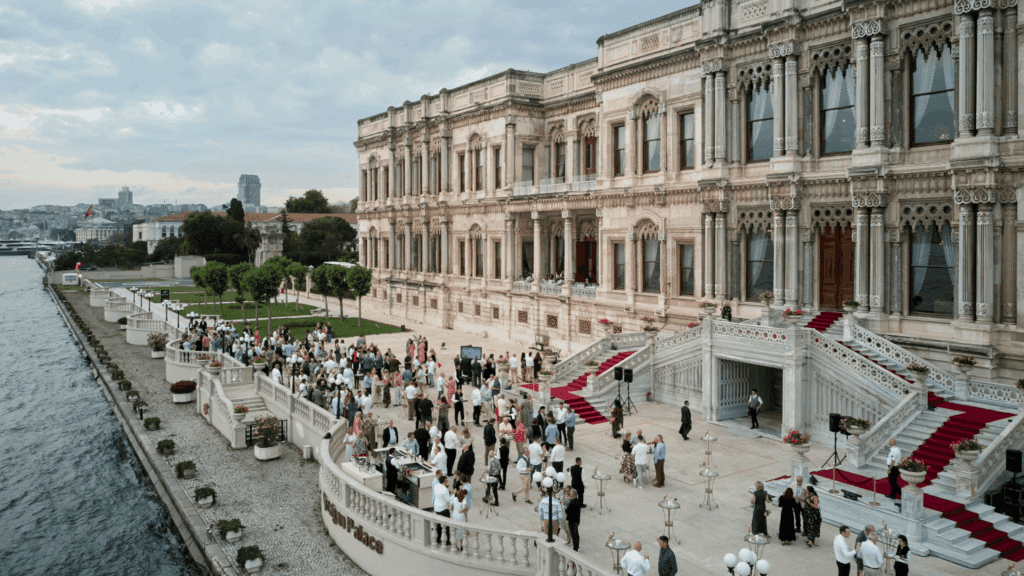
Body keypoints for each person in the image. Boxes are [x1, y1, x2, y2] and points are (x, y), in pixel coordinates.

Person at [433, 476, 452, 546]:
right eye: (446, 481)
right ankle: (446, 541)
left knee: (438, 525)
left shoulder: (436, 486)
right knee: (446, 526)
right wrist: (451, 494)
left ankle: (437, 539)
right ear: (444, 482)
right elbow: (448, 500)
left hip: (436, 508)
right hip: (443, 509)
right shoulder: (445, 489)